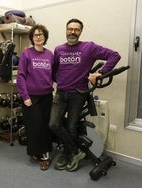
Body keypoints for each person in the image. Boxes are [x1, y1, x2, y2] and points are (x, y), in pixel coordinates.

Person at [49, 18, 121, 172]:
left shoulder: (89, 47)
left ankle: (67, 153)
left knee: (71, 126)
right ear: (66, 30)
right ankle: (75, 152)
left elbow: (115, 55)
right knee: (54, 124)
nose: (73, 32)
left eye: (76, 29)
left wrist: (100, 73)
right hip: (61, 93)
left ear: (81, 31)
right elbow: (55, 70)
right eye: (70, 29)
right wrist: (60, 81)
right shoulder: (59, 49)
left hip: (78, 94)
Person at [16, 24, 55, 170]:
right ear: (32, 38)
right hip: (31, 97)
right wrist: (25, 96)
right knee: (35, 126)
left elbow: (54, 74)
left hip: (47, 96)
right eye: (36, 35)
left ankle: (45, 153)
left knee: (46, 125)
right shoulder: (27, 54)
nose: (38, 37)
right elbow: (20, 77)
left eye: (41, 35)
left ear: (45, 37)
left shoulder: (50, 54)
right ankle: (36, 153)